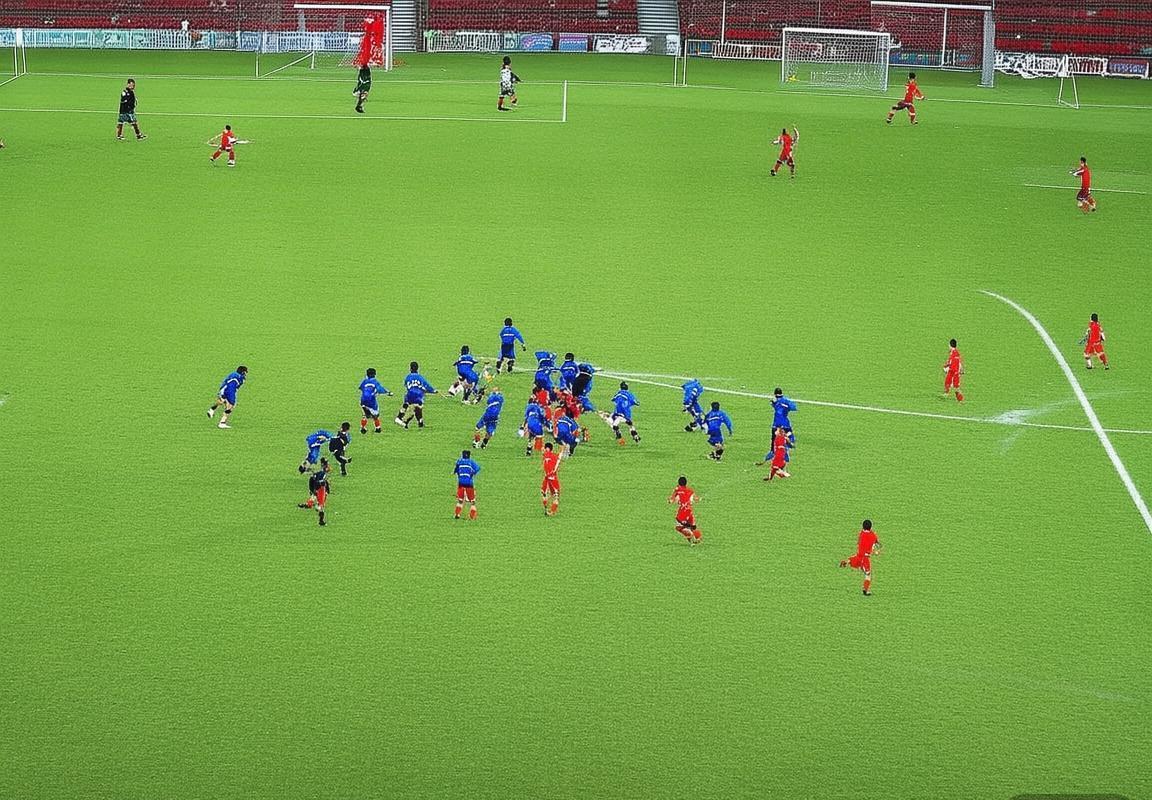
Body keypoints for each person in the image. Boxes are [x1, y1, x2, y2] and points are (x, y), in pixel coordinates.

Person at [840, 519, 882, 595]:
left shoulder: (861, 533)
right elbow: (875, 544)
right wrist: (877, 550)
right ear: (871, 527)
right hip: (865, 559)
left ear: (863, 527)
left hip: (859, 555)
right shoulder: (873, 536)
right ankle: (865, 590)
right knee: (868, 575)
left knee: (854, 559)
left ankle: (847, 562)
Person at [395, 361, 436, 429]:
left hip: (409, 395)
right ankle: (406, 422)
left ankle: (402, 418)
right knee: (416, 409)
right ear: (418, 368)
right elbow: (427, 386)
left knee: (407, 404)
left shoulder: (408, 377)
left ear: (410, 369)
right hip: (418, 396)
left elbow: (406, 385)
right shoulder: (420, 377)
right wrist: (433, 391)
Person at [298, 458, 332, 526]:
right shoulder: (322, 473)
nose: (328, 465)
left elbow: (314, 478)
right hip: (321, 489)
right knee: (321, 506)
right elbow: (320, 481)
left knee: (314, 498)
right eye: (327, 464)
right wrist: (322, 485)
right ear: (324, 465)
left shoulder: (320, 472)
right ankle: (321, 520)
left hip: (318, 489)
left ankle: (309, 504)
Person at [359, 367, 392, 434]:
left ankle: (363, 427)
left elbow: (361, 388)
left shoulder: (364, 381)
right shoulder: (375, 381)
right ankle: (378, 428)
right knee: (376, 415)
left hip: (363, 400)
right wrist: (388, 392)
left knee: (365, 415)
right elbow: (380, 389)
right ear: (374, 374)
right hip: (371, 401)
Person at [669, 476, 701, 545]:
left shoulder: (677, 490)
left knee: (679, 527)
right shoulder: (690, 490)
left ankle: (691, 534)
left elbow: (671, 501)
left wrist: (673, 495)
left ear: (678, 483)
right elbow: (696, 499)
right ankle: (695, 540)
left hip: (682, 512)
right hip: (689, 511)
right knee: (692, 527)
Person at [453, 449, 481, 520]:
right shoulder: (471, 462)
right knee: (472, 502)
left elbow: (456, 470)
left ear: (462, 455)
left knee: (460, 500)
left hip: (461, 482)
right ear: (469, 455)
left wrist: (458, 474)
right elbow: (478, 468)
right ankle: (472, 517)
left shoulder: (459, 461)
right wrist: (472, 473)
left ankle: (457, 514)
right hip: (469, 483)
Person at [541, 441, 562, 515]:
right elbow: (558, 462)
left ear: (547, 448)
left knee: (544, 493)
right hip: (553, 478)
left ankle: (546, 509)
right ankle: (552, 512)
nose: (542, 449)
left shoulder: (545, 455)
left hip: (547, 478)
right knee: (556, 495)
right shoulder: (554, 456)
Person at [943, 338, 964, 403]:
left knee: (955, 387)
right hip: (952, 371)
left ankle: (960, 400)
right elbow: (958, 361)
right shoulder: (954, 353)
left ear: (950, 345)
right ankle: (946, 394)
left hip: (954, 372)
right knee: (947, 383)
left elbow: (952, 362)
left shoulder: (954, 353)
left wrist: (946, 366)